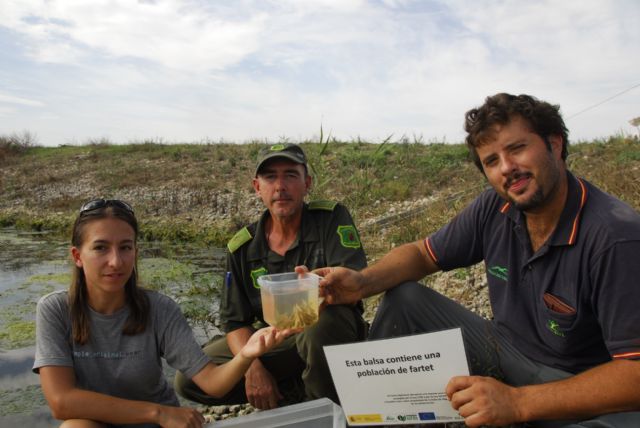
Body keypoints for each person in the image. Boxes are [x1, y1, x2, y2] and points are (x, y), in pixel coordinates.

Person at [315, 93, 640, 427]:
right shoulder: (495, 209)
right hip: (506, 351)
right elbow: (422, 254)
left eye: (517, 149)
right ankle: (375, 417)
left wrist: (517, 402)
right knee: (405, 298)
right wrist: (362, 283)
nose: (507, 169)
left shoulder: (615, 236)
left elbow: (635, 374)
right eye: (491, 161)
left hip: (577, 384)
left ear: (554, 144)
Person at [34, 199, 295, 428]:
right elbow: (61, 402)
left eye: (125, 247)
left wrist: (247, 354)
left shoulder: (159, 308)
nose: (116, 261)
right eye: (101, 248)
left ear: (135, 251)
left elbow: (213, 383)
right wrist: (158, 412)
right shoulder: (55, 310)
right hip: (133, 419)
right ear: (77, 256)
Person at [174, 143, 368, 409]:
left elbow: (355, 282)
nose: (280, 186)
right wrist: (252, 367)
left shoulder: (331, 218)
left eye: (290, 175)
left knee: (320, 327)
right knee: (190, 378)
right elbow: (235, 323)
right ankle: (295, 389)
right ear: (257, 186)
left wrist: (319, 288)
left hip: (332, 333)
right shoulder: (242, 247)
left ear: (307, 183)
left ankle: (325, 411)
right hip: (278, 340)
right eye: (270, 177)